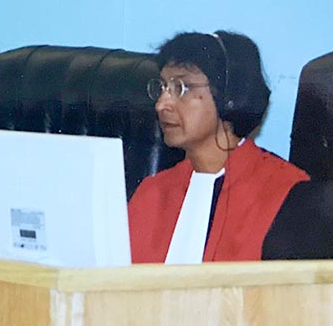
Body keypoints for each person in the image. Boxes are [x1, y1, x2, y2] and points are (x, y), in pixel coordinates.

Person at [128, 31, 309, 263]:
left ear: (228, 98)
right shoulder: (152, 193)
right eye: (162, 87)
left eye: (182, 88)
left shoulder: (285, 192)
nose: (162, 104)